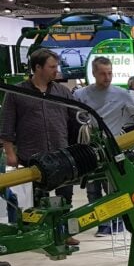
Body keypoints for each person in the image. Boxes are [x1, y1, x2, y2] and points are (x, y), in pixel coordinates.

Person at [0, 48, 81, 253]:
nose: (56, 70)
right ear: (38, 67)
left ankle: (64, 232)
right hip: (32, 156)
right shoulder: (16, 92)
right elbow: (7, 125)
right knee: (38, 198)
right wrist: (10, 152)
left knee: (65, 196)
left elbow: (76, 119)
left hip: (61, 153)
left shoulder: (62, 92)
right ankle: (40, 233)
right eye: (52, 67)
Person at [74, 56, 134, 236]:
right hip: (89, 146)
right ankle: (102, 223)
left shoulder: (121, 94)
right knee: (93, 187)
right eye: (102, 74)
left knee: (113, 186)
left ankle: (116, 221)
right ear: (93, 73)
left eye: (110, 73)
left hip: (114, 146)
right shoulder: (80, 95)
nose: (107, 77)